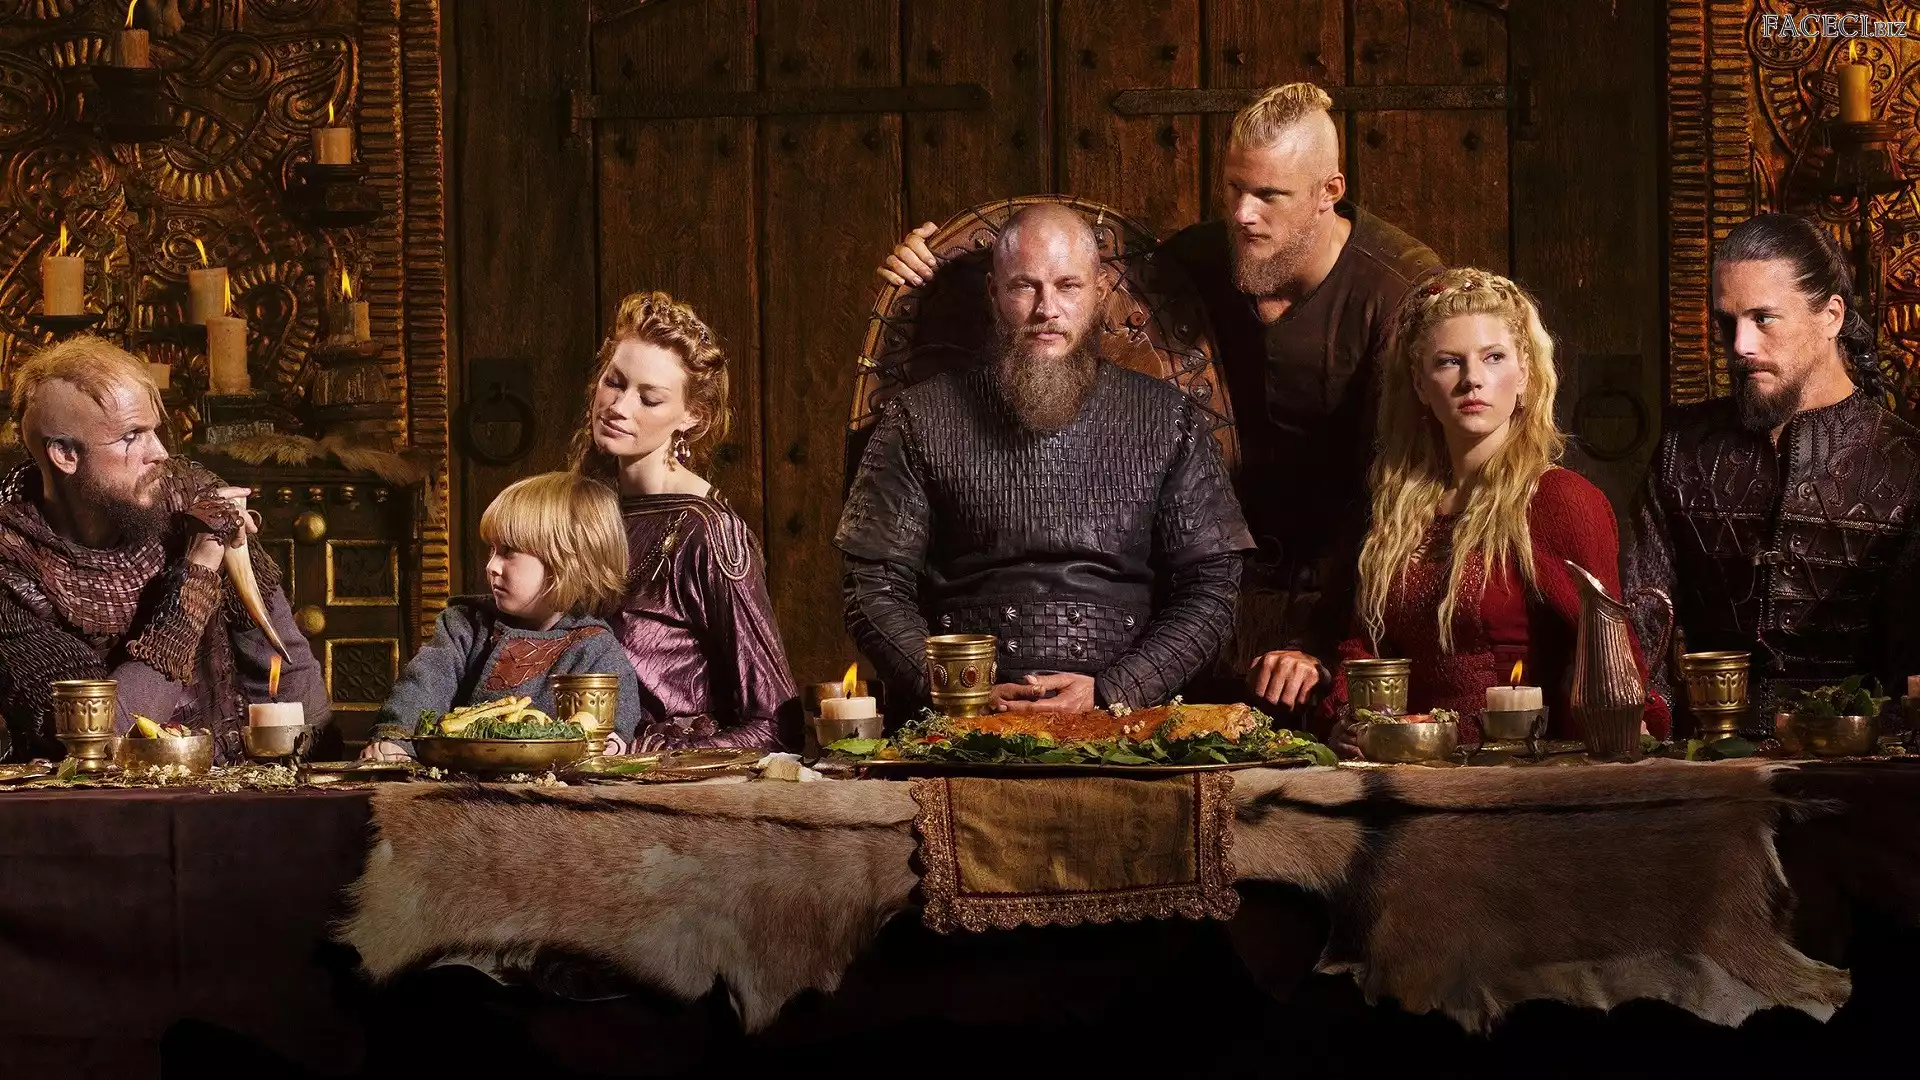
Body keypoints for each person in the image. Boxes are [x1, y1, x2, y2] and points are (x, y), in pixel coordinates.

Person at [877, 82, 1441, 714]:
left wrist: (1322, 641)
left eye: (1268, 195)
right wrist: (931, 263)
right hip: (1210, 582)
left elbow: (1402, 490)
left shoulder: (1401, 294)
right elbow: (1060, 271)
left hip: (1342, 593)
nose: (1242, 214)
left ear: (1328, 192)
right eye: (1234, 188)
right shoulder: (1198, 260)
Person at [839, 203, 1253, 716]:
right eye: (1024, 286)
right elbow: (872, 588)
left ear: (1100, 291)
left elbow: (1211, 588)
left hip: (1127, 720)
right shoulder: (920, 418)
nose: (1046, 309)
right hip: (963, 718)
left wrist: (1116, 691)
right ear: (994, 292)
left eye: (1068, 286)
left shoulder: (1169, 419)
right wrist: (960, 691)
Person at [1324, 268, 1668, 749]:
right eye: (1449, 362)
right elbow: (1366, 648)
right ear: (1420, 384)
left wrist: (1626, 732)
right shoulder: (1400, 508)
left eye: (1493, 357)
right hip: (1412, 766)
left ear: (1524, 374)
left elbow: (1612, 657)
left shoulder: (1557, 499)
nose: (1472, 380)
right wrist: (1349, 718)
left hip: (1522, 771)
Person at [1625, 213, 1920, 714]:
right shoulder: (1683, 448)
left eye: (1763, 318)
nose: (1741, 346)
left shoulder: (1908, 464)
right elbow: (1638, 624)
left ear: (1831, 317)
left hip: (1863, 757)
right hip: (1701, 753)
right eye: (1728, 322)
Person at [0, 335, 326, 764]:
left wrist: (309, 768)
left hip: (230, 784)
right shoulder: (12, 560)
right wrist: (198, 572)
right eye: (131, 435)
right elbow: (97, 741)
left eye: (154, 429)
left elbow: (289, 669)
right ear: (64, 454)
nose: (160, 453)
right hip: (93, 799)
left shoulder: (191, 498)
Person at [570, 290, 796, 750]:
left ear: (692, 416)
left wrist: (656, 757)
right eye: (614, 382)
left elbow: (775, 723)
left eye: (649, 399)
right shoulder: (584, 507)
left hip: (663, 779)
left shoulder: (709, 532)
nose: (619, 407)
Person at [363, 472, 646, 760]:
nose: (491, 566)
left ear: (567, 562)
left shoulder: (594, 648)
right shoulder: (464, 625)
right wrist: (396, 739)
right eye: (492, 550)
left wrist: (611, 744)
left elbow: (609, 730)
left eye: (509, 552)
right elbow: (423, 686)